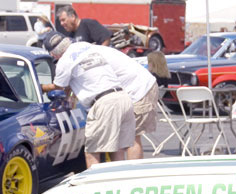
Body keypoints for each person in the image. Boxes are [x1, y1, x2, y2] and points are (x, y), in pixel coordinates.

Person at [40, 31, 135, 168]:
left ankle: (94, 188)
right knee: (117, 150)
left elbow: (59, 86)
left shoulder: (64, 61)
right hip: (123, 98)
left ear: (53, 54)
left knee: (92, 152)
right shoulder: (84, 46)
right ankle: (119, 185)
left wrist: (42, 87)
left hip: (104, 103)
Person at [95, 45, 159, 159]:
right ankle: (119, 172)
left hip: (139, 91)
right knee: (118, 136)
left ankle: (133, 173)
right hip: (126, 93)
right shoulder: (92, 52)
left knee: (132, 137)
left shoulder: (90, 57)